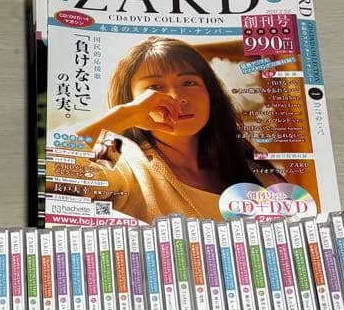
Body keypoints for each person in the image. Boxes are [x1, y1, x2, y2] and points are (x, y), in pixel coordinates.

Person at [70, 37, 284, 220]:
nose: (177, 97)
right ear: (132, 99)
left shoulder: (249, 167)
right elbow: (55, 171)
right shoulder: (117, 155)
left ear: (210, 93)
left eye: (189, 82)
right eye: (154, 87)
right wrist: (123, 115)